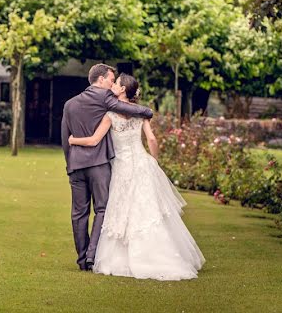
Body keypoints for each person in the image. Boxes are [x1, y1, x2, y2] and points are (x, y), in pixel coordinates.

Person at [69, 73, 205, 280]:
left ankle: (118, 257)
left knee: (120, 209)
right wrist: (154, 160)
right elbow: (151, 139)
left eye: (116, 83)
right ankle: (158, 255)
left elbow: (94, 140)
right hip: (141, 163)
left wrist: (73, 140)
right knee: (147, 210)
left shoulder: (110, 115)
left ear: (122, 89)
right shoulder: (140, 114)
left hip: (122, 167)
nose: (113, 84)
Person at [61, 64, 154, 271]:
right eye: (111, 79)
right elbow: (128, 108)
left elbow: (65, 139)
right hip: (98, 164)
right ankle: (92, 255)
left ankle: (82, 260)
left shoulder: (69, 104)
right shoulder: (105, 98)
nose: (113, 84)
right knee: (101, 209)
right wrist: (147, 111)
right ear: (101, 79)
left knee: (78, 213)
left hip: (76, 164)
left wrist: (70, 164)